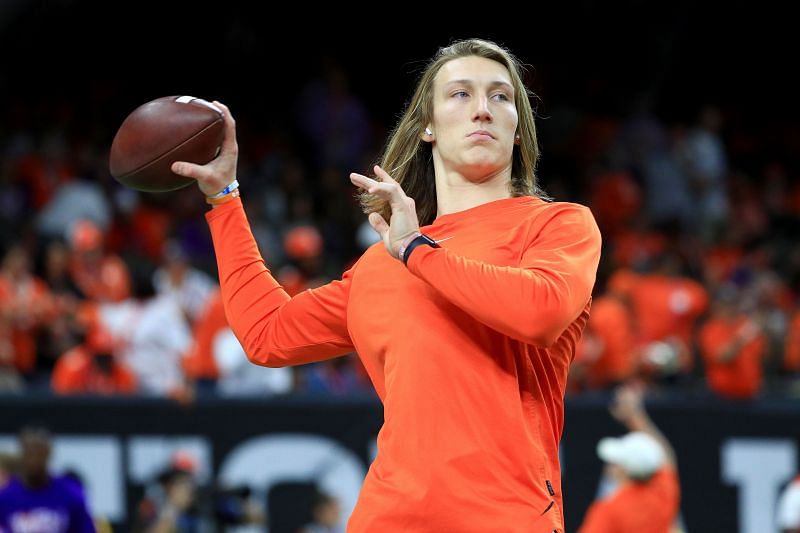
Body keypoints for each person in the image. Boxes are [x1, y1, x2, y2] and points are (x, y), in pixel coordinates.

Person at [172, 38, 601, 532]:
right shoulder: (383, 263)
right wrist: (224, 199)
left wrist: (417, 251)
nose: (483, 109)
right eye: (460, 94)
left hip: (505, 516)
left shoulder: (558, 225)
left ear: (520, 131)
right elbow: (267, 334)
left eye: (500, 97)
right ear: (428, 127)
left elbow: (539, 312)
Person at [578, 384, 681, 533]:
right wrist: (635, 417)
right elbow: (667, 457)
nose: (610, 467)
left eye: (616, 463)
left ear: (624, 471)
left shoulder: (609, 510)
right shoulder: (663, 493)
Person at [0, 425, 96, 533]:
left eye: (39, 452)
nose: (34, 459)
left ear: (49, 453)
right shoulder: (5, 498)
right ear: (21, 453)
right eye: (29, 452)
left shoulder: (71, 494)